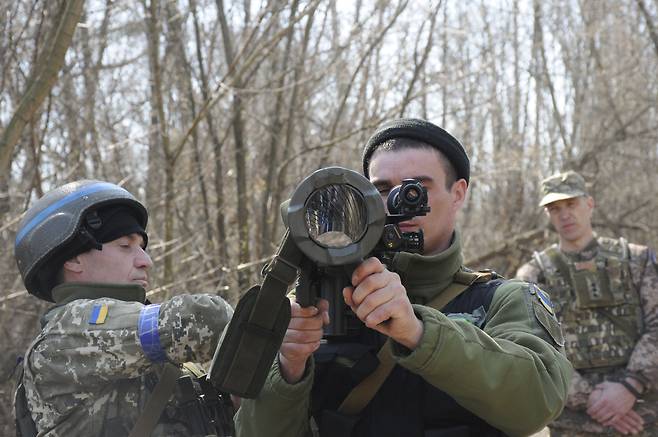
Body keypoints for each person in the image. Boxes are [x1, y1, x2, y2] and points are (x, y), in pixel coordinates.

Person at [234, 118, 572, 437]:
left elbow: (536, 403)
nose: (397, 203)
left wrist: (419, 332)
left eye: (416, 189)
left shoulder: (502, 300)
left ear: (458, 193)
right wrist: (289, 368)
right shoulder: (319, 300)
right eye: (381, 189)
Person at [13, 180, 235, 436]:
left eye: (141, 247)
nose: (146, 261)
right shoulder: (65, 336)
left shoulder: (145, 349)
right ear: (73, 259)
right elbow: (204, 320)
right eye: (125, 246)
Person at [516, 171, 658, 436]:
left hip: (643, 416)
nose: (564, 214)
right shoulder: (533, 276)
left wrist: (630, 386)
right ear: (547, 214)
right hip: (573, 423)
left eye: (571, 204)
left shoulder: (637, 261)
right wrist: (591, 399)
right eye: (555, 208)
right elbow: (532, 348)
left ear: (589, 204)